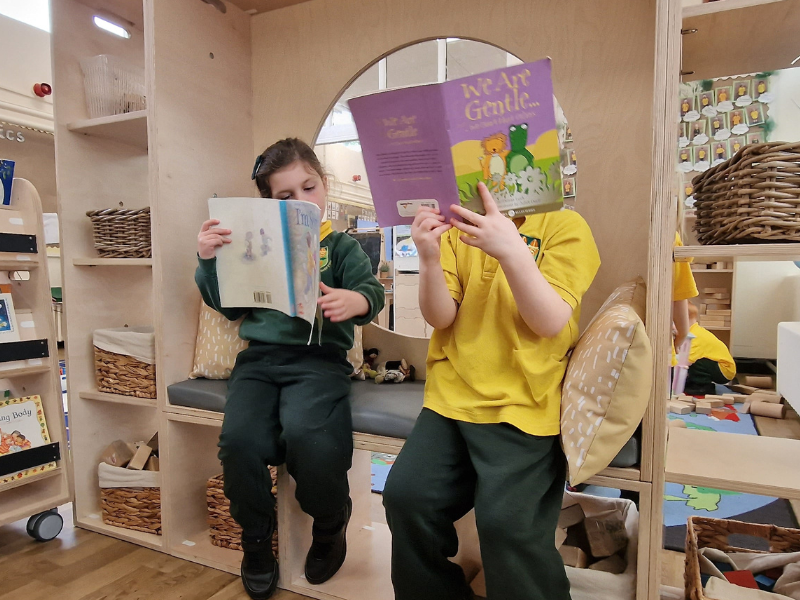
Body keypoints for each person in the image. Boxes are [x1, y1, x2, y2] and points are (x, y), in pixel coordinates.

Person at [382, 182, 600, 600]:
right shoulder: (458, 229)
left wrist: (513, 251)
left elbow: (549, 321)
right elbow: (441, 317)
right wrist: (428, 256)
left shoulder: (565, 225)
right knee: (407, 497)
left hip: (524, 401)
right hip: (451, 399)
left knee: (509, 527)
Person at [195, 138, 384, 600]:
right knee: (240, 442)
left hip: (318, 364)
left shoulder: (340, 246)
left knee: (309, 436)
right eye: (285, 197)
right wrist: (207, 260)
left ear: (325, 185)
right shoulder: (253, 242)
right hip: (258, 361)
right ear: (268, 204)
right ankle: (256, 540)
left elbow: (370, 292)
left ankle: (329, 521)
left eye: (309, 187)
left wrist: (353, 300)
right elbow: (228, 307)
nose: (301, 201)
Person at [684, 302, 736, 395]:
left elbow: (685, 361)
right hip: (719, 366)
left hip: (724, 370)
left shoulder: (695, 336)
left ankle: (703, 387)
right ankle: (696, 382)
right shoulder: (694, 330)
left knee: (695, 360)